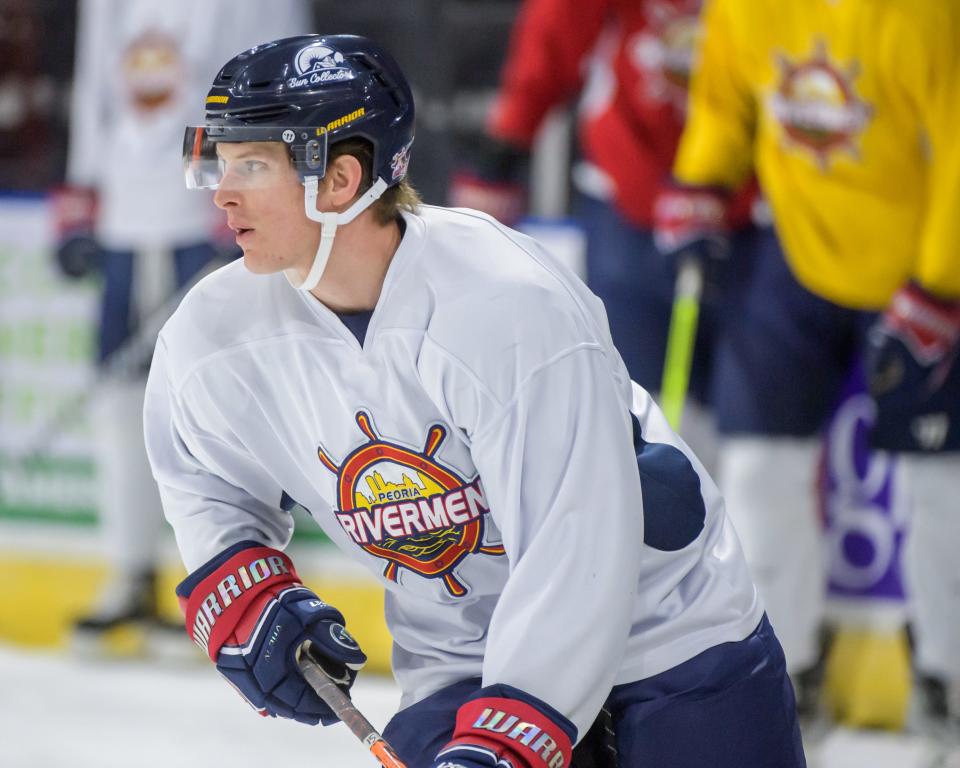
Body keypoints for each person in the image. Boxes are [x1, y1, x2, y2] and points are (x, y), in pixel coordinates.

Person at [144, 34, 805, 768]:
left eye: (253, 165)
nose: (222, 191)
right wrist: (244, 585)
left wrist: (508, 735)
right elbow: (199, 469)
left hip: (673, 642)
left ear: (339, 179)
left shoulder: (505, 306)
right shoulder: (213, 334)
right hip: (464, 662)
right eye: (219, 160)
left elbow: (576, 544)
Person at [656, 0, 960, 721]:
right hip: (794, 256)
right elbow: (725, 103)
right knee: (758, 469)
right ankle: (784, 674)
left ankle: (948, 676)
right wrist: (701, 182)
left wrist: (940, 285)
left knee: (941, 484)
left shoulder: (925, 14)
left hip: (918, 271)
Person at [56, 0, 311, 646]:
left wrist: (248, 184)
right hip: (125, 209)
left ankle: (229, 584)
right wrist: (82, 189)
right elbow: (95, 80)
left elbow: (282, 77)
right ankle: (130, 570)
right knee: (118, 399)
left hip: (205, 210)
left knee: (220, 404)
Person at [450, 0, 756, 467]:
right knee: (635, 409)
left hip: (749, 211)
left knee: (753, 429)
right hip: (631, 198)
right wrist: (507, 143)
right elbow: (555, 32)